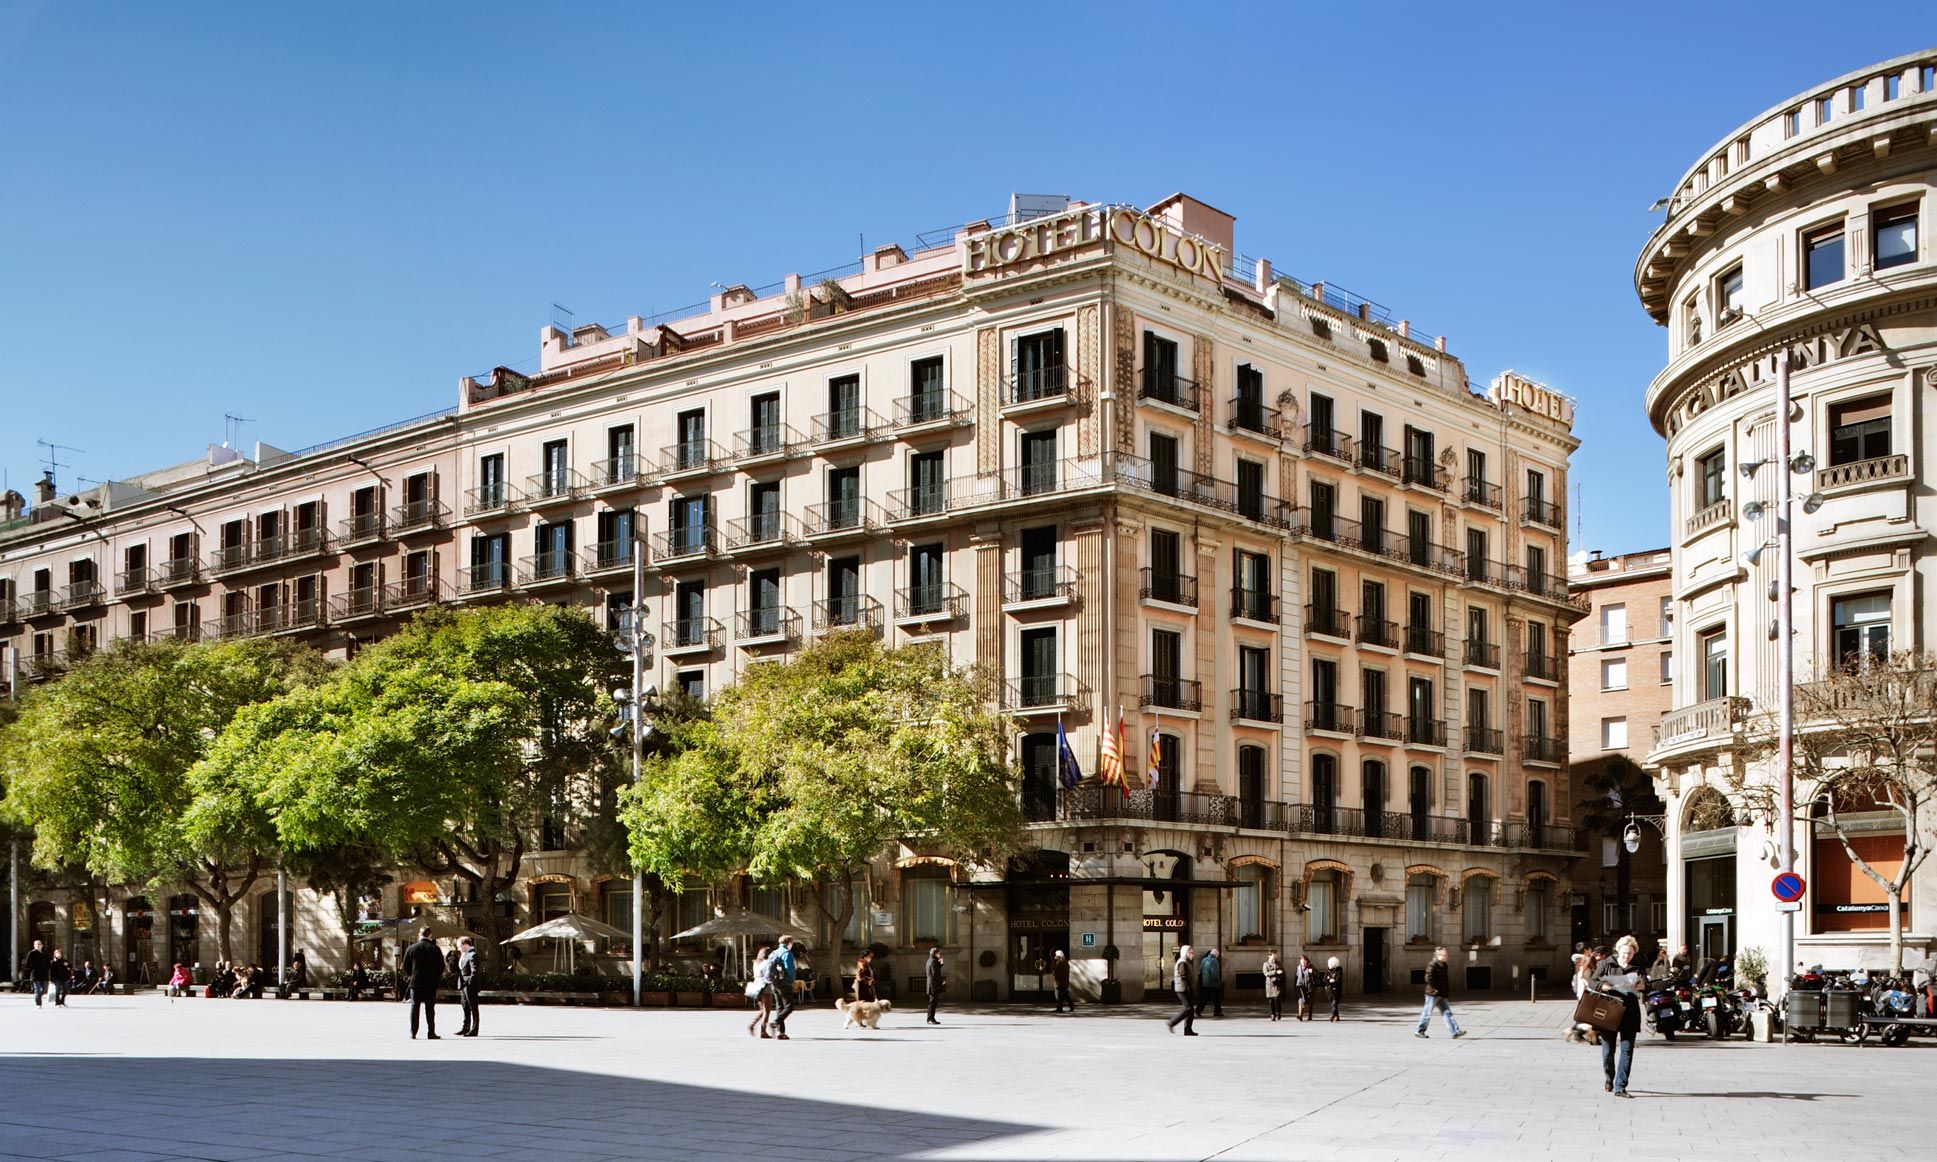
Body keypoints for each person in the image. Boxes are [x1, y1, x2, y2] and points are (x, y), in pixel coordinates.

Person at [1593, 935, 1647, 1098]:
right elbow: (1592, 981)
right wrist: (1603, 985)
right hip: (1609, 1010)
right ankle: (1609, 1077)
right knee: (1608, 1050)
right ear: (1618, 950)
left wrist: (1642, 985)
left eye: (1630, 953)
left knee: (1627, 1050)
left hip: (1629, 1011)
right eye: (1624, 953)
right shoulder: (1606, 964)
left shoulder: (1637, 966)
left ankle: (1620, 1086)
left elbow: (1646, 985)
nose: (1627, 956)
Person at [1414, 946, 1467, 1039]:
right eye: (1444, 954)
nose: (1446, 956)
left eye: (1446, 954)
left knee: (1447, 1013)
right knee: (1427, 1013)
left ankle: (1455, 1031)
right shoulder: (1433, 964)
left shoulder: (1444, 965)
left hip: (1441, 994)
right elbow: (1428, 978)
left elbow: (1445, 981)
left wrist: (1445, 993)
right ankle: (1419, 1031)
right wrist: (1435, 989)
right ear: (1438, 955)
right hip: (1432, 994)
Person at [401, 926, 444, 1040]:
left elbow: (405, 966)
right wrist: (435, 976)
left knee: (415, 1007)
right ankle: (431, 1032)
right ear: (430, 935)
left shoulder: (411, 948)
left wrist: (412, 975)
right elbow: (441, 967)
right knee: (430, 1009)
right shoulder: (435, 949)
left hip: (416, 982)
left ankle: (413, 1032)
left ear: (419, 935)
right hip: (431, 983)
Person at [768, 935, 798, 1040]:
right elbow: (790, 969)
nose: (792, 945)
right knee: (789, 1006)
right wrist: (791, 980)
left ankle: (781, 1033)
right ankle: (775, 1023)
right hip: (784, 984)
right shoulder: (787, 953)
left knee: (779, 1007)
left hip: (774, 983)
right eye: (792, 943)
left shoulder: (774, 953)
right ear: (788, 943)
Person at [1165, 945, 1197, 1035]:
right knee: (1188, 1008)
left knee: (1190, 1009)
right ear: (1186, 953)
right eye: (1191, 953)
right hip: (1182, 988)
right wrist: (1188, 987)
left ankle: (1188, 1029)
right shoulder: (1182, 962)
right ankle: (1172, 1022)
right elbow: (1183, 976)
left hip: (1184, 988)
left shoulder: (1186, 962)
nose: (1192, 955)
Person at [747, 945, 776, 1038]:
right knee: (767, 1011)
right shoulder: (767, 963)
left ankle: (752, 1024)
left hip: (756, 986)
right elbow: (769, 975)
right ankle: (763, 1032)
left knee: (762, 1010)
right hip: (765, 987)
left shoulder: (756, 963)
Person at [455, 937, 481, 1037]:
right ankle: (466, 1027)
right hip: (463, 984)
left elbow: (475, 971)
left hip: (469, 985)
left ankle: (474, 1029)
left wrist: (469, 982)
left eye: (459, 946)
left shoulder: (472, 955)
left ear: (466, 944)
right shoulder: (464, 955)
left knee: (473, 1007)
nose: (458, 948)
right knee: (465, 1006)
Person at [1197, 947, 1224, 1017]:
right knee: (1217, 999)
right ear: (1216, 955)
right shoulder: (1214, 961)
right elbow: (1215, 973)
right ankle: (1217, 1012)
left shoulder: (1204, 960)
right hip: (1213, 983)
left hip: (1205, 982)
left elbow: (1200, 970)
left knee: (1204, 998)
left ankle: (1198, 1010)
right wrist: (1218, 981)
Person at [1262, 950, 1286, 1022]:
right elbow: (1266, 973)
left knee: (1277, 998)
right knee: (1271, 1000)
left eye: (1275, 955)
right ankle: (1272, 1014)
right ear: (1269, 955)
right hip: (1270, 984)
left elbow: (1283, 971)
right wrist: (1275, 972)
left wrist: (1281, 973)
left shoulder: (1279, 963)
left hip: (1277, 984)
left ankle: (1278, 1012)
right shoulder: (1266, 964)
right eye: (1273, 955)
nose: (1275, 956)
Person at [24, 940, 50, 1007]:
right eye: (36, 944)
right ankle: (38, 1003)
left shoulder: (45, 953)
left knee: (45, 990)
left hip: (44, 974)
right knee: (38, 989)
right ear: (34, 945)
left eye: (39, 944)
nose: (37, 945)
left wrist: (48, 969)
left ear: (42, 945)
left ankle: (38, 996)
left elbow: (48, 963)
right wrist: (32, 969)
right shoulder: (32, 953)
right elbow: (27, 964)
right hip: (35, 974)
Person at [924, 947, 945, 1026]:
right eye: (938, 953)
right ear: (935, 954)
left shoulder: (930, 961)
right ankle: (930, 1019)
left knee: (933, 1002)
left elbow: (936, 969)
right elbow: (935, 974)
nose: (940, 954)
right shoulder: (933, 962)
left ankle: (931, 1018)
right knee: (932, 1003)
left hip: (932, 984)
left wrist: (941, 962)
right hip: (933, 985)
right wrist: (941, 981)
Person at [1295, 954, 1316, 1021]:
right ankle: (1300, 1015)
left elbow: (1317, 975)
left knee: (1310, 1002)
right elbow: (1296, 977)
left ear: (1307, 961)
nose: (1303, 962)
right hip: (1300, 986)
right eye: (1301, 960)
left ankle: (1310, 1016)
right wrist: (1295, 986)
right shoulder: (1298, 967)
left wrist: (1312, 972)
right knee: (1301, 1000)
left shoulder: (1311, 966)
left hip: (1309, 987)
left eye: (1304, 961)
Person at [1324, 956, 1343, 1022]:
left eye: (1329, 964)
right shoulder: (1328, 970)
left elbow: (1338, 980)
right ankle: (1336, 1017)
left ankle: (1332, 1015)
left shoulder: (1339, 970)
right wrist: (1329, 980)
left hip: (1336, 990)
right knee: (1332, 1003)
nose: (1328, 965)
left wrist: (1331, 980)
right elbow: (1324, 979)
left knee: (1334, 1002)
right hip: (1329, 990)